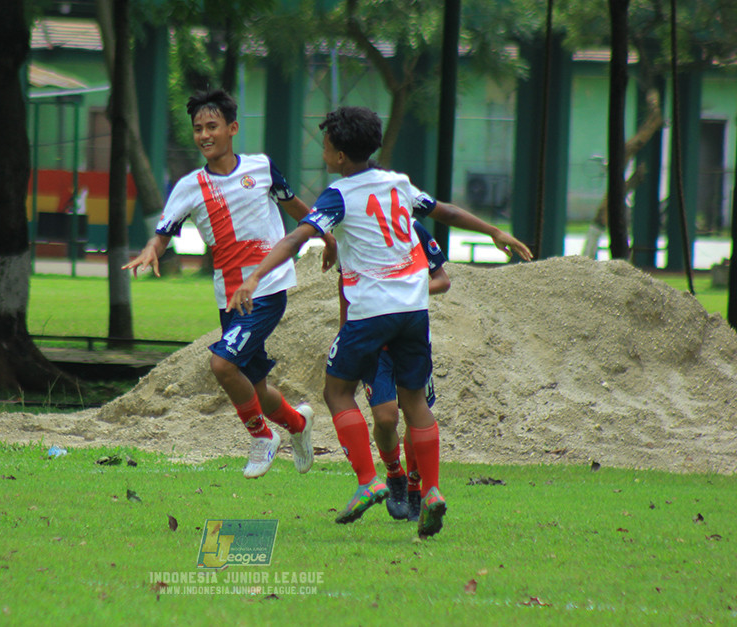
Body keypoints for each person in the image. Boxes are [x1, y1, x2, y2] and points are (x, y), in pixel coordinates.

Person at [226, 106, 532, 536]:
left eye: (326, 147)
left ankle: (368, 480)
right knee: (415, 403)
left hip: (371, 312)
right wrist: (494, 231)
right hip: (414, 311)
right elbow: (444, 211)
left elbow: (297, 237)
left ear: (338, 155)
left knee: (337, 391)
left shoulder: (339, 194)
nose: (324, 153)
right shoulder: (398, 184)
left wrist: (254, 277)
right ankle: (431, 490)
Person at [123, 89, 336, 480]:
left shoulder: (261, 168)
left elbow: (294, 207)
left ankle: (261, 438)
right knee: (256, 387)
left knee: (222, 365)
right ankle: (298, 424)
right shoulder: (189, 186)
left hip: (266, 289)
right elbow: (163, 233)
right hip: (230, 297)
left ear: (232, 128)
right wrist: (151, 249)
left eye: (212, 126)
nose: (204, 135)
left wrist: (328, 236)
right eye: (198, 129)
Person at [344, 220, 449, 522]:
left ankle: (416, 486)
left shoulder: (412, 227)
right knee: (385, 417)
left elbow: (442, 280)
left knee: (416, 413)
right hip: (374, 342)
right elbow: (345, 285)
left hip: (411, 338)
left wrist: (405, 293)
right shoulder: (356, 228)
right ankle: (395, 475)